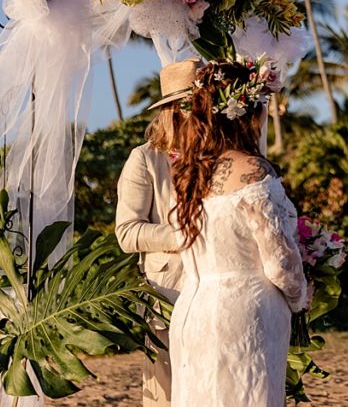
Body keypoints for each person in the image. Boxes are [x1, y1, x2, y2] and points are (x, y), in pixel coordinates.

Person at [167, 59, 309, 407]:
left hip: (193, 312)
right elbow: (279, 262)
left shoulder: (190, 173)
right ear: (248, 112)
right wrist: (301, 296)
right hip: (246, 315)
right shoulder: (255, 169)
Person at [115, 58, 200, 407]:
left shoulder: (221, 155)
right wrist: (182, 236)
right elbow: (127, 233)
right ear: (173, 111)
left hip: (214, 288)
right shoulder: (144, 160)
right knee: (164, 393)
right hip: (167, 293)